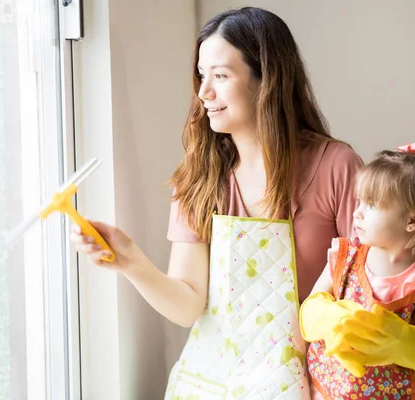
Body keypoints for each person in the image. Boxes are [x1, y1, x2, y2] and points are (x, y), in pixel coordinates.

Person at [72, 7, 363, 398]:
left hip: (316, 386)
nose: (204, 92)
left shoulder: (336, 167)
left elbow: (369, 289)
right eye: (201, 75)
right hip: (212, 384)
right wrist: (131, 261)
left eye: (221, 76)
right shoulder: (199, 176)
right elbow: (189, 305)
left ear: (267, 80)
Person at [300, 143, 415, 400]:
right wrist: (332, 319)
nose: (357, 213)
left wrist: (400, 339)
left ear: (412, 221)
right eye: (359, 201)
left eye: (371, 205)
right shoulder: (344, 257)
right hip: (323, 391)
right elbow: (307, 312)